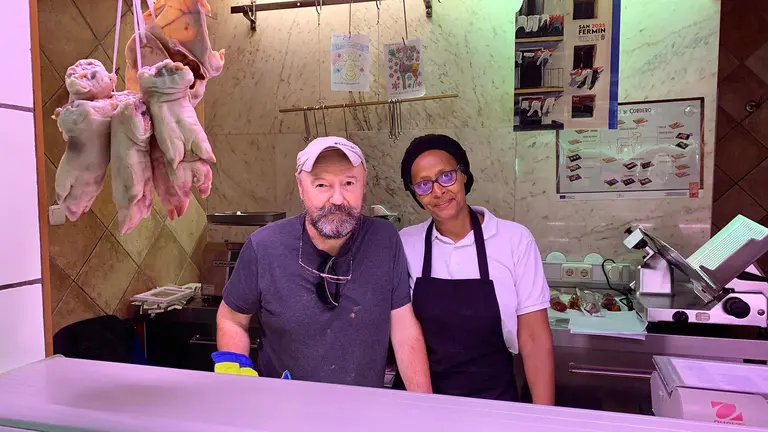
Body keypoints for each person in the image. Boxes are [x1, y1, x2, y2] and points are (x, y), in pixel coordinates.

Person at [214, 136, 432, 392]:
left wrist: (424, 404)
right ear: (300, 186)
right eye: (321, 185)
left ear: (363, 185)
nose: (337, 199)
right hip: (284, 408)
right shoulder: (264, 246)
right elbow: (231, 319)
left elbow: (404, 329)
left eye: (349, 183)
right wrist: (235, 369)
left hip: (362, 407)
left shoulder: (384, 240)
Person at [395, 134, 555, 404]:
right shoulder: (405, 243)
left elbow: (534, 338)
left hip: (493, 401)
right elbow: (402, 332)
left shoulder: (514, 239)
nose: (437, 191)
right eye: (423, 184)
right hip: (422, 399)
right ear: (415, 193)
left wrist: (545, 416)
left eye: (446, 176)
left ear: (464, 175)